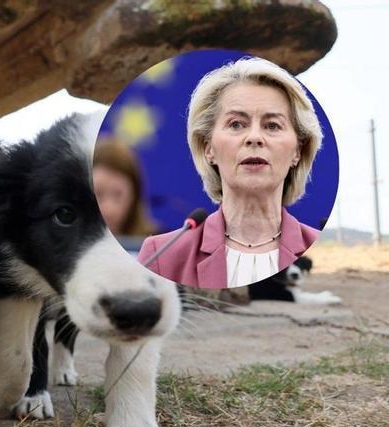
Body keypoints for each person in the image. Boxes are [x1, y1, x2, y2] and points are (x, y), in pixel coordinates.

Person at [138, 57, 323, 289]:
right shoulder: (161, 255)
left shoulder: (319, 248)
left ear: (298, 151)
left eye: (272, 125)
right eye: (236, 124)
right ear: (208, 148)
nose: (254, 137)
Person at [92, 138, 158, 239]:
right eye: (99, 194)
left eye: (118, 194)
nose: (108, 209)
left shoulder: (160, 244)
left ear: (134, 195)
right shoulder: (69, 243)